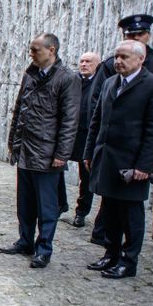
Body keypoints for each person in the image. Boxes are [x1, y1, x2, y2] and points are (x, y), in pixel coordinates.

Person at [88, 14, 153, 254]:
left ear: (148, 36)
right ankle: (106, 238)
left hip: (151, 141)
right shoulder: (113, 63)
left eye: (139, 35)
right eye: (130, 35)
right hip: (118, 141)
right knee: (113, 187)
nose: (135, 38)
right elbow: (98, 102)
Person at [83, 41, 153, 278]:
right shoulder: (111, 82)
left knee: (131, 214)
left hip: (132, 164)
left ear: (140, 59)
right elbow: (97, 121)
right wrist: (90, 152)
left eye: (124, 57)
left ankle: (128, 260)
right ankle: (110, 253)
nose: (118, 61)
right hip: (107, 159)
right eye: (116, 56)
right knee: (110, 210)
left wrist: (145, 165)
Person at [0, 33, 81, 268]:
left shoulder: (67, 78)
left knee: (46, 205)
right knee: (25, 203)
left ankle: (44, 248)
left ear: (51, 50)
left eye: (36, 50)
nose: (31, 54)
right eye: (31, 50)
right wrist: (14, 141)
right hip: (26, 148)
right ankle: (25, 240)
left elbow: (69, 120)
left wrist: (61, 154)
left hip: (47, 152)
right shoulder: (30, 74)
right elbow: (19, 108)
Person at [60, 52, 99, 227]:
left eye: (88, 62)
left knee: (86, 176)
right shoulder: (73, 81)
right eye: (81, 61)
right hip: (68, 134)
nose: (83, 64)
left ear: (97, 65)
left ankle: (81, 212)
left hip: (87, 136)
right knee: (56, 168)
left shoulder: (100, 84)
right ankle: (60, 204)